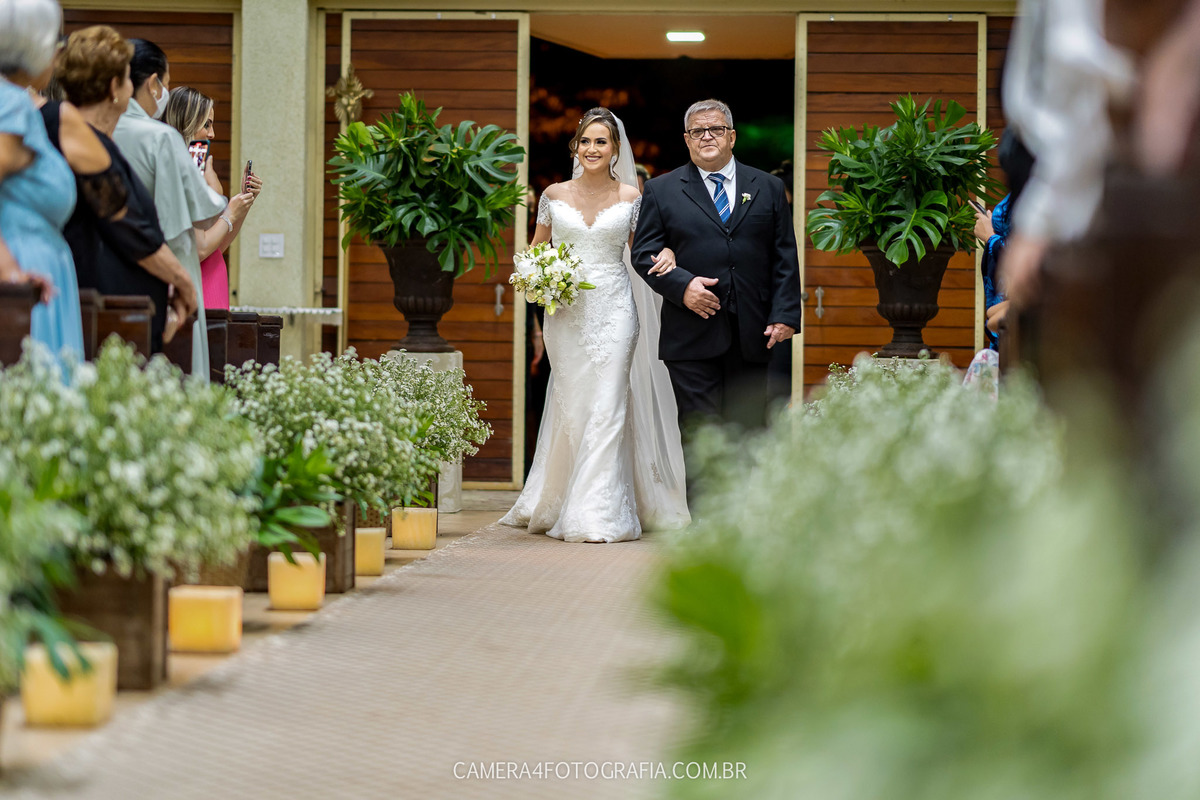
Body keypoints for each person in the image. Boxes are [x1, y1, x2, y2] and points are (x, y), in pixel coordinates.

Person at [502, 107, 690, 543]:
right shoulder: (552, 195)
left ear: (615, 149)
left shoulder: (630, 198)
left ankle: (596, 512)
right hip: (565, 314)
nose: (592, 149)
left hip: (615, 309)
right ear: (576, 146)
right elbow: (534, 253)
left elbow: (644, 252)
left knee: (608, 405)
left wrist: (670, 256)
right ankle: (557, 495)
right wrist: (539, 279)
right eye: (585, 141)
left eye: (600, 142)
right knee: (575, 403)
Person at [631, 99, 803, 488]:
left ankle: (744, 518)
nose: (707, 136)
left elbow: (784, 255)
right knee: (699, 430)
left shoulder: (769, 187)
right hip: (690, 332)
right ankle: (706, 523)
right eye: (697, 131)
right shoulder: (661, 190)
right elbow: (644, 253)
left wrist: (786, 314)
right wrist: (683, 286)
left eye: (716, 129)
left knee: (749, 428)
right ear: (687, 140)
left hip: (754, 332)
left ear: (732, 136)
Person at [47, 26, 198, 352]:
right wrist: (182, 280)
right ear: (115, 87)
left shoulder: (78, 134)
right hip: (108, 315)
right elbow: (130, 226)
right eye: (129, 79)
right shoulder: (87, 142)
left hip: (114, 310)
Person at [112, 38, 226, 378]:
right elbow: (205, 210)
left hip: (116, 267)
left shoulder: (99, 129)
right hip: (169, 268)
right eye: (166, 83)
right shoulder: (161, 137)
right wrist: (210, 184)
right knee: (180, 374)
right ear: (152, 83)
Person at [0, 0, 81, 360]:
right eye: (55, 41)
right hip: (25, 272)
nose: (58, 53)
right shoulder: (13, 104)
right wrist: (8, 268)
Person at [163, 86, 260, 310]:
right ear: (186, 122)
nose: (212, 133)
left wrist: (244, 203)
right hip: (192, 277)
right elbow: (198, 249)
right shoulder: (176, 169)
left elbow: (217, 244)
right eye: (206, 124)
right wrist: (229, 213)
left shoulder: (207, 165)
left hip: (215, 271)